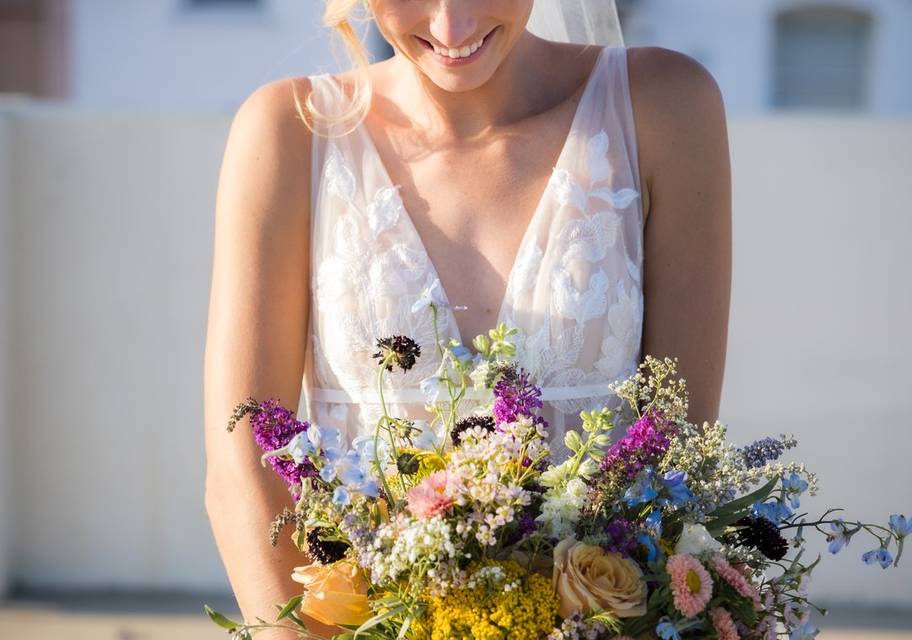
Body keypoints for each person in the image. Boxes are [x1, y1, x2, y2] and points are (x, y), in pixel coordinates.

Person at [203, 1, 730, 637]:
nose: (452, 27)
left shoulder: (665, 109)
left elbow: (677, 453)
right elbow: (243, 473)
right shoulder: (289, 132)